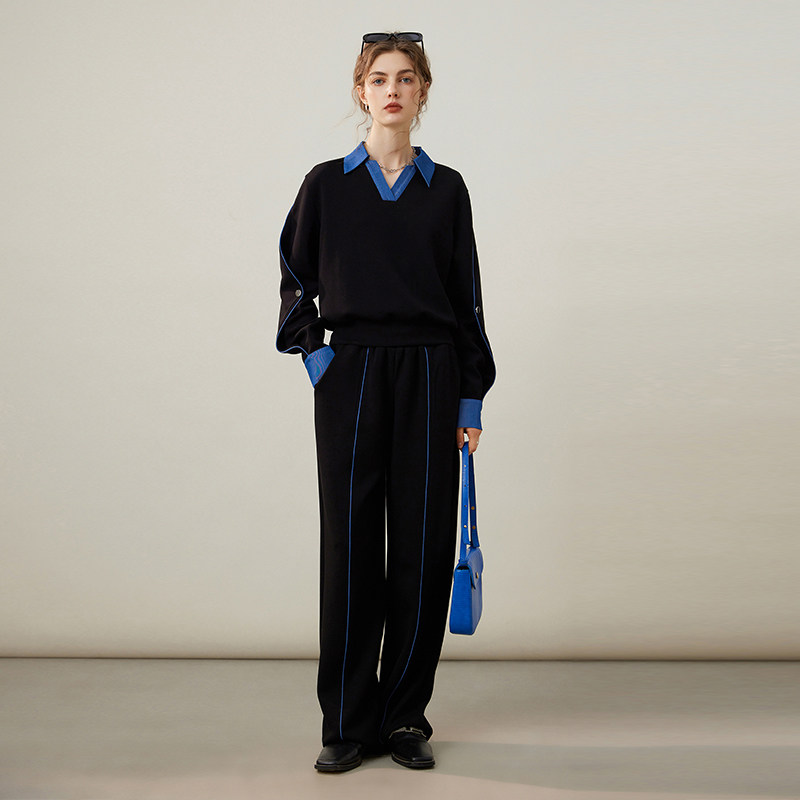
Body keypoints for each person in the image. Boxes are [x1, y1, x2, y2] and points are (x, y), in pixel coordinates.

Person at [276, 31, 496, 773]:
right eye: (379, 78)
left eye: (405, 78)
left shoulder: (447, 189)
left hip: (432, 372)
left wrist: (469, 397)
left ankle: (404, 717)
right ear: (360, 91)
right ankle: (345, 722)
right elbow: (294, 276)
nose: (392, 90)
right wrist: (317, 355)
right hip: (353, 372)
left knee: (424, 548)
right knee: (349, 546)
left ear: (423, 90)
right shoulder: (326, 185)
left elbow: (467, 300)